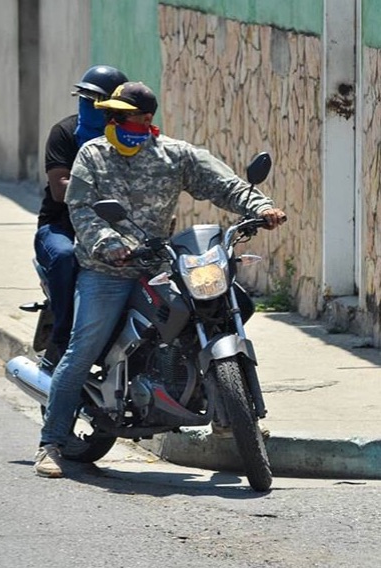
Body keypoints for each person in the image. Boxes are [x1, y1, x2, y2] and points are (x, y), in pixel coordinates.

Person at [34, 82, 287, 477]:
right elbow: (80, 208)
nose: (112, 121)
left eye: (121, 116)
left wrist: (262, 207)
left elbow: (224, 185)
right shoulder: (93, 154)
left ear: (145, 119)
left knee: (218, 311)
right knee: (83, 348)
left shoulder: (174, 155)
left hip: (159, 263)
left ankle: (230, 414)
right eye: (110, 116)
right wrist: (107, 242)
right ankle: (51, 441)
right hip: (108, 269)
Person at [34, 65, 128, 369]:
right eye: (84, 99)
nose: (89, 107)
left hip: (117, 226)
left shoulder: (130, 139)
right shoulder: (63, 133)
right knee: (64, 257)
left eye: (97, 101)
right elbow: (60, 190)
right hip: (62, 227)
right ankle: (62, 339)